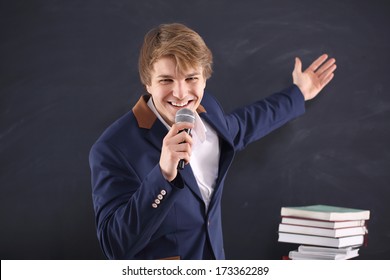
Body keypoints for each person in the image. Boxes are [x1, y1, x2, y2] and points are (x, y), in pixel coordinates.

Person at [89, 23, 336, 260]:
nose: (181, 93)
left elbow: (245, 125)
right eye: (166, 80)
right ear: (147, 83)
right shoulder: (113, 148)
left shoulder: (210, 111)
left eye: (191, 79)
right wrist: (163, 175)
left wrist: (298, 93)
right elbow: (115, 246)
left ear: (205, 79)